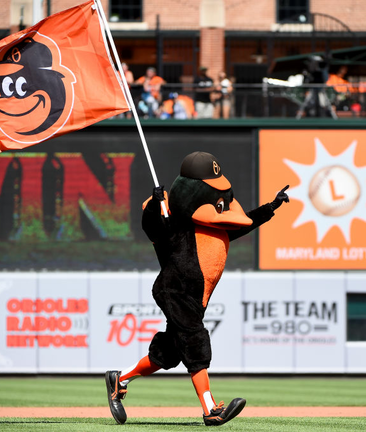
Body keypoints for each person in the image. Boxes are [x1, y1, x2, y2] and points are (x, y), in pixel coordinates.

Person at [105, 151, 290, 427]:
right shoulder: (176, 224)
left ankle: (119, 380)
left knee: (168, 354)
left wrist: (271, 207)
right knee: (195, 340)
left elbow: (246, 222)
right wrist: (157, 205)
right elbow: (154, 228)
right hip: (175, 289)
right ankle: (210, 409)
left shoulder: (216, 226)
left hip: (193, 297)